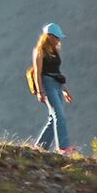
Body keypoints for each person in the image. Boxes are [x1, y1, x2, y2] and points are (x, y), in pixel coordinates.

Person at [29, 23, 75, 154]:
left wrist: (64, 90)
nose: (59, 40)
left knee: (53, 118)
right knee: (58, 115)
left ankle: (40, 147)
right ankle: (63, 147)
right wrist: (40, 92)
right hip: (47, 84)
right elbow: (38, 73)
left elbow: (57, 71)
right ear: (49, 36)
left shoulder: (55, 50)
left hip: (57, 84)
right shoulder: (39, 51)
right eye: (57, 37)